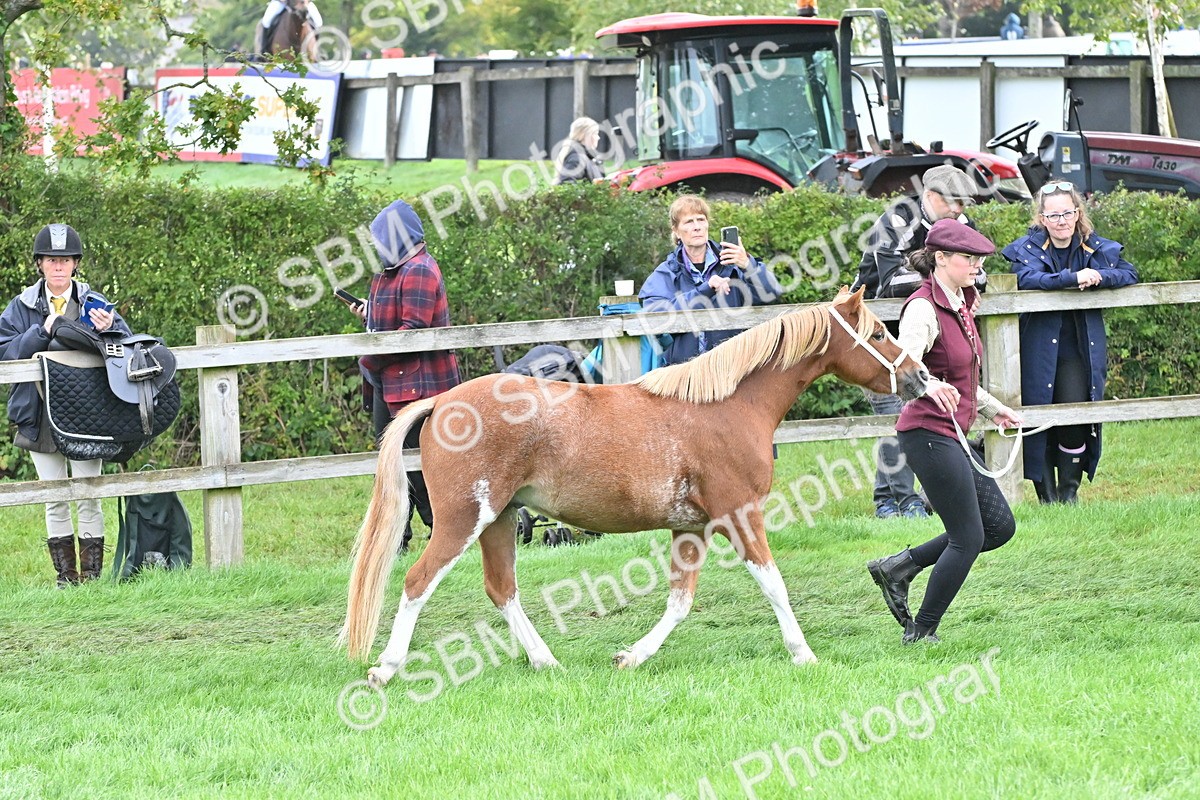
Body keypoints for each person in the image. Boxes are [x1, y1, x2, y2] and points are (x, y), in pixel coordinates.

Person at [865, 219, 1024, 644]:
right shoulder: (922, 308)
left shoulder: (961, 303)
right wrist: (931, 384)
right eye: (968, 258)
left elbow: (962, 375)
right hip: (926, 433)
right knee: (968, 537)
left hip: (951, 434)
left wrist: (995, 410)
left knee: (998, 529)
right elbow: (906, 369)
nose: (976, 265)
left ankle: (899, 567)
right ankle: (922, 631)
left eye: (978, 259)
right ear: (941, 259)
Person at [0, 223, 130, 587]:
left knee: (89, 493)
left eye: (65, 260)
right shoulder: (21, 306)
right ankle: (65, 578)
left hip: (88, 414)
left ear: (75, 264)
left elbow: (126, 351)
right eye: (51, 260)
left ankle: (92, 577)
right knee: (53, 497)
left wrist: (111, 329)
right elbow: (5, 353)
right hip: (38, 415)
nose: (58, 266)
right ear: (40, 264)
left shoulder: (96, 303)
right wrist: (42, 329)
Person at [851, 164, 981, 519]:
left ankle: (893, 499)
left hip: (930, 331)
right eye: (952, 203)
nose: (959, 210)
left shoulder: (961, 224)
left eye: (962, 203)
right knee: (893, 411)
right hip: (880, 332)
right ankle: (898, 501)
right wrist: (942, 276)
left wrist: (940, 274)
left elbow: (977, 273)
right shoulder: (894, 221)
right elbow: (890, 281)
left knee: (916, 411)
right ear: (930, 197)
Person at [1000, 181, 1138, 503]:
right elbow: (1026, 279)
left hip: (1078, 349)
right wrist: (1072, 278)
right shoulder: (1027, 249)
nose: (1061, 221)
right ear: (1042, 218)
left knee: (1075, 420)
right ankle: (1047, 498)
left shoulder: (1095, 246)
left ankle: (1068, 495)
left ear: (1077, 214)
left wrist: (1101, 276)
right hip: (1035, 347)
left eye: (1067, 213)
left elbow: (1129, 274)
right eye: (1053, 215)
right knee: (1038, 421)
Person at [352, 199, 460, 551]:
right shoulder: (398, 270)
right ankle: (398, 536)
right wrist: (369, 313)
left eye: (383, 238)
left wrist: (370, 358)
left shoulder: (420, 270)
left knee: (419, 465)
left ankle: (441, 532)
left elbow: (411, 331)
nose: (379, 246)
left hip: (419, 387)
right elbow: (396, 318)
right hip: (394, 384)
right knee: (394, 464)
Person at [639, 194, 782, 366]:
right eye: (689, 222)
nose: (697, 227)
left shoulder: (733, 262)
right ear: (676, 231)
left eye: (701, 219)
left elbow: (772, 294)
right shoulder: (667, 272)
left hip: (733, 368)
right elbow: (655, 318)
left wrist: (748, 264)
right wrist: (705, 290)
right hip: (684, 374)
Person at [553, 117, 605, 185]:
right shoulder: (577, 158)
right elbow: (566, 185)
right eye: (595, 133)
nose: (598, 137)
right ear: (585, 135)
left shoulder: (589, 158)